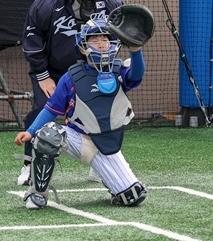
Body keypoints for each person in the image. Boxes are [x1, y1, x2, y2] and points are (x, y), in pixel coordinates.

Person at [14, 14, 147, 209]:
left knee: (133, 196)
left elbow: (137, 74)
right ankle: (37, 193)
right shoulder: (71, 77)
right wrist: (30, 131)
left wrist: (136, 50)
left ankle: (109, 179)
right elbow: (51, 109)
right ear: (83, 47)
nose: (102, 44)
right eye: (95, 40)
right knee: (48, 135)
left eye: (106, 40)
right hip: (77, 138)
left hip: (106, 143)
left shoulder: (120, 70)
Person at [18, 0, 124, 185]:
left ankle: (102, 163)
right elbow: (32, 36)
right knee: (41, 110)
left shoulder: (112, 1)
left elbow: (120, 37)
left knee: (103, 115)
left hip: (93, 70)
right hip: (53, 71)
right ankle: (29, 164)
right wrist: (42, 76)